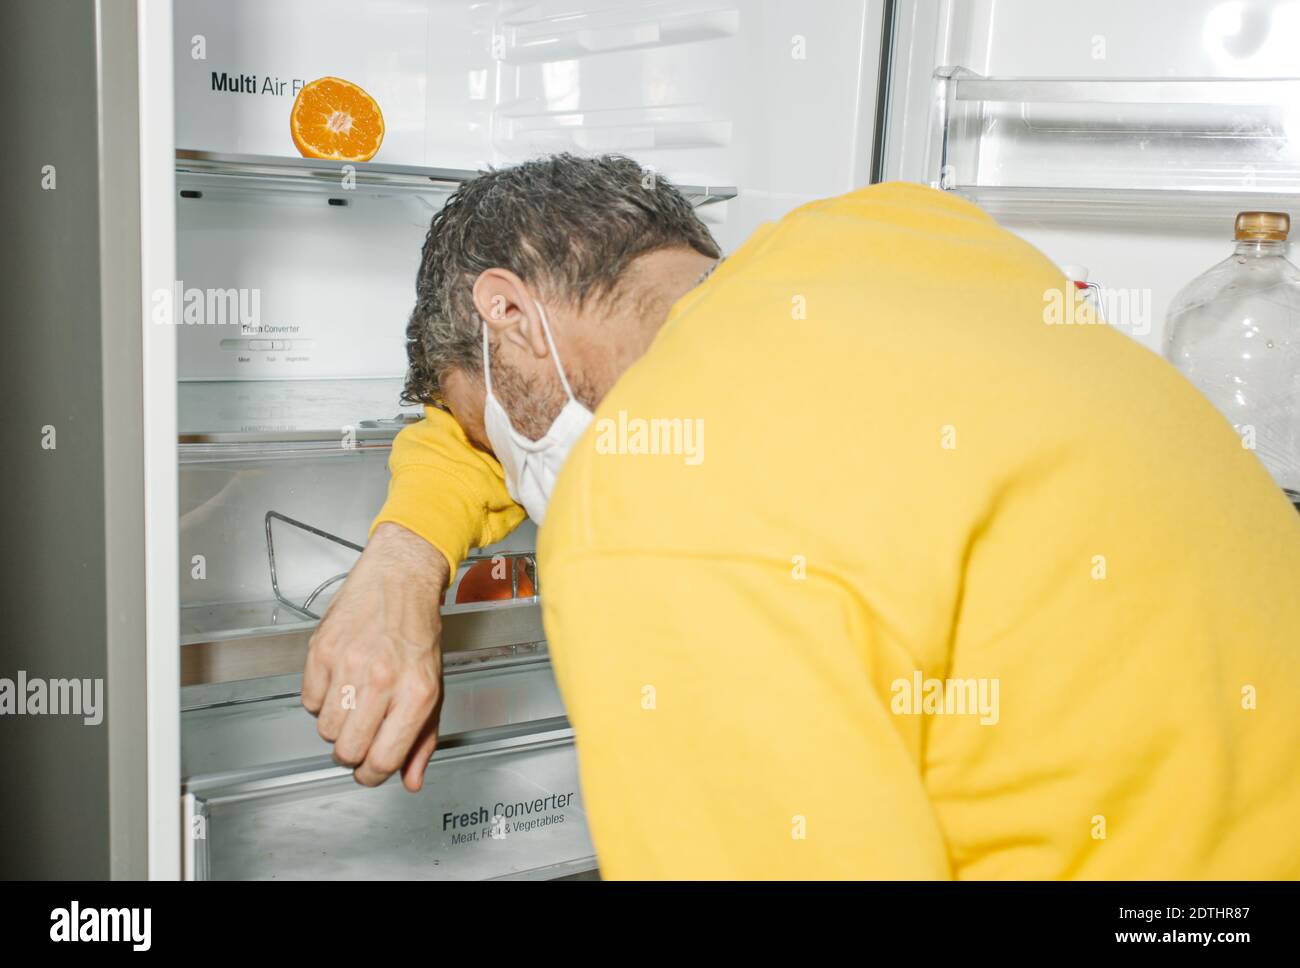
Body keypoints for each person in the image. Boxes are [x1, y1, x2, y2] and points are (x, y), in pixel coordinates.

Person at [302, 153, 1300, 879]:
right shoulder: (905, 238)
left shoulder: (652, 499)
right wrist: (403, 556)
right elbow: (479, 430)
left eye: (495, 441)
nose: (519, 486)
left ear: (510, 313)